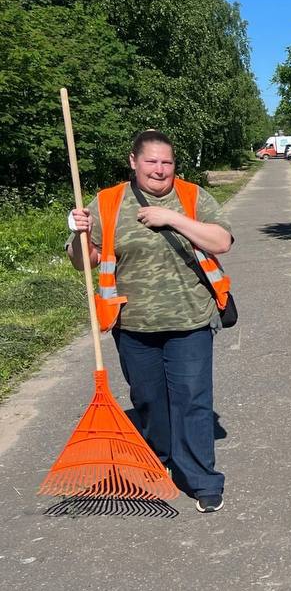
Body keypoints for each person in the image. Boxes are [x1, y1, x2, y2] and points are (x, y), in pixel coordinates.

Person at [68, 129, 234, 513]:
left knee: (192, 400)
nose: (160, 170)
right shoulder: (108, 203)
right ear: (133, 162)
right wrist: (77, 233)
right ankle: (159, 458)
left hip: (190, 320)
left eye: (167, 162)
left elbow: (221, 241)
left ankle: (201, 479)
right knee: (148, 400)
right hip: (133, 325)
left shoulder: (192, 197)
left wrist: (171, 218)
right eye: (151, 161)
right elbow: (85, 262)